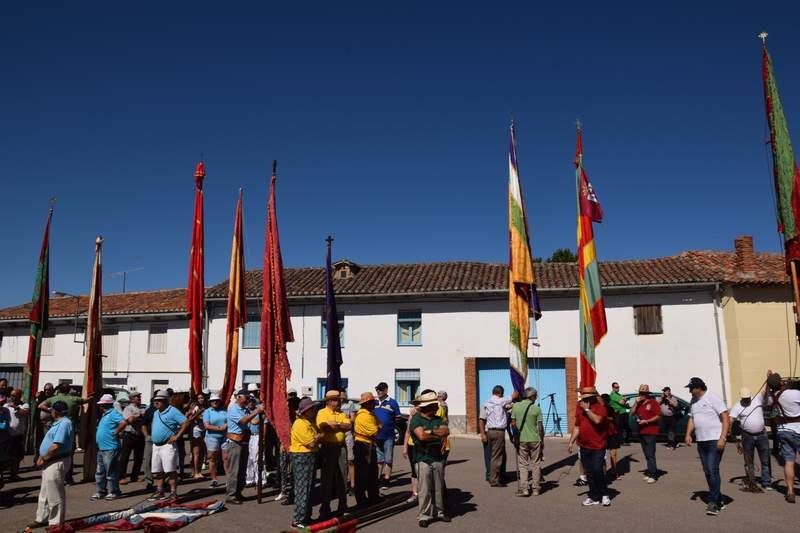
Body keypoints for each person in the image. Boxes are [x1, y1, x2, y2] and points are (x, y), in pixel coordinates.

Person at [684, 377, 730, 516]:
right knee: (707, 471)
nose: (690, 391)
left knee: (712, 470)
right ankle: (719, 499)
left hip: (714, 440)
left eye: (691, 388)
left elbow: (725, 416)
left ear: (698, 387)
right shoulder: (694, 401)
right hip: (701, 441)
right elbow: (692, 418)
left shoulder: (712, 397)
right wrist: (688, 434)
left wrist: (723, 437)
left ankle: (713, 503)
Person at [28, 401, 73, 528]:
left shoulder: (64, 423)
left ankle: (56, 523)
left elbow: (56, 446)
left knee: (55, 493)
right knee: (45, 492)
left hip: (56, 460)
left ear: (55, 411)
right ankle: (42, 517)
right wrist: (43, 457)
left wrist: (44, 458)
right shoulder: (59, 423)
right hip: (51, 461)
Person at [39, 382, 93, 485]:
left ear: (59, 390)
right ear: (69, 390)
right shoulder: (73, 399)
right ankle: (68, 479)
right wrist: (93, 395)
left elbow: (40, 405)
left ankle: (56, 476)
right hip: (69, 430)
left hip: (56, 427)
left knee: (55, 451)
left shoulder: (53, 398)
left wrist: (50, 409)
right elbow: (86, 400)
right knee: (68, 455)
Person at [410, 391, 450, 527]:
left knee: (438, 487)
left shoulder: (438, 419)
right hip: (423, 457)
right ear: (427, 406)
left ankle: (439, 512)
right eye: (434, 404)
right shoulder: (416, 419)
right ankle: (424, 515)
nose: (437, 407)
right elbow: (421, 436)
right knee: (424, 488)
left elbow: (446, 431)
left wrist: (430, 432)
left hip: (437, 456)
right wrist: (436, 434)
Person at [148, 389, 195, 501]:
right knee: (158, 470)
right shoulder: (156, 413)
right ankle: (160, 491)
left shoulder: (173, 411)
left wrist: (177, 436)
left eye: (159, 400)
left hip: (167, 445)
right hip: (156, 445)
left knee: (170, 470)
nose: (156, 402)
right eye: (155, 400)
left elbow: (185, 422)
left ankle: (173, 492)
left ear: (165, 401)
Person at [568, 386, 610, 507]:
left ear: (593, 397)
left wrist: (587, 410)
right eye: (582, 397)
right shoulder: (579, 406)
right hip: (583, 444)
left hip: (598, 445)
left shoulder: (600, 408)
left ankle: (604, 494)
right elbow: (577, 426)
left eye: (586, 398)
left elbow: (597, 421)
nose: (583, 400)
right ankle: (593, 496)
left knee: (597, 470)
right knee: (589, 472)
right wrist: (571, 442)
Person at [764, 370, 800, 503]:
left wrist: (768, 380)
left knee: (789, 462)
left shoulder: (771, 397)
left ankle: (790, 491)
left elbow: (767, 394)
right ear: (781, 382)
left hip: (783, 431)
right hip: (798, 430)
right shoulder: (794, 393)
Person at [92, 393, 135, 501]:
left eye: (102, 404)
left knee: (110, 472)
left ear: (107, 405)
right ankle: (101, 491)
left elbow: (123, 422)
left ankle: (114, 492)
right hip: (103, 448)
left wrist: (116, 432)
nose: (100, 406)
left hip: (110, 447)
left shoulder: (113, 413)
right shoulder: (105, 414)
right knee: (100, 472)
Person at [316, 389, 352, 518]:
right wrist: (339, 425)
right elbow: (324, 427)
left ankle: (343, 506)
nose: (339, 402)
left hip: (341, 448)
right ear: (330, 401)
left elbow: (349, 426)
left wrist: (334, 425)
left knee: (342, 478)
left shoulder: (341, 413)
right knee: (327, 480)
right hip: (328, 448)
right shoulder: (322, 413)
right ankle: (325, 508)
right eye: (337, 400)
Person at [729, 386, 771, 491]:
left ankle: (766, 482)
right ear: (741, 397)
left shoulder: (757, 399)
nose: (747, 400)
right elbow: (731, 420)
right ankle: (752, 481)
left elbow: (765, 392)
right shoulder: (737, 406)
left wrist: (768, 379)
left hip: (762, 435)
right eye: (745, 398)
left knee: (765, 460)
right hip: (747, 436)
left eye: (748, 398)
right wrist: (732, 435)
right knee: (748, 461)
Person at [226, 388, 263, 503]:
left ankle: (238, 492)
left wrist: (262, 414)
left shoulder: (245, 409)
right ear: (238, 397)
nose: (247, 400)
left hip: (243, 441)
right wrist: (256, 412)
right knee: (234, 470)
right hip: (235, 442)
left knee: (242, 470)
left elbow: (252, 421)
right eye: (246, 398)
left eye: (248, 398)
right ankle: (231, 495)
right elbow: (243, 421)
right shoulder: (233, 409)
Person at [290, 398, 321, 529]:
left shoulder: (309, 422)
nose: (314, 411)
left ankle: (305, 516)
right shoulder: (300, 424)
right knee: (303, 488)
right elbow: (311, 443)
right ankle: (298, 519)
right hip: (302, 457)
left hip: (309, 456)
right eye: (312, 409)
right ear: (306, 411)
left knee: (308, 488)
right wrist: (319, 437)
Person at [511, 387, 544, 497]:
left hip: (522, 440)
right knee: (536, 464)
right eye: (536, 396)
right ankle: (535, 489)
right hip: (535, 439)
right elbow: (540, 428)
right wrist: (542, 440)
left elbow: (513, 424)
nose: (536, 398)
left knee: (523, 465)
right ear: (532, 396)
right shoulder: (536, 409)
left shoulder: (516, 407)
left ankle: (525, 489)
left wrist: (514, 437)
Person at [353, 391, 381, 507]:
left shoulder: (370, 414)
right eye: (372, 402)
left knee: (372, 472)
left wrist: (378, 427)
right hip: (363, 445)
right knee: (362, 473)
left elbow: (379, 425)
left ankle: (373, 497)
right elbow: (375, 431)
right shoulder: (364, 416)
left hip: (368, 444)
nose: (374, 404)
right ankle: (362, 500)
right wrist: (378, 427)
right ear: (366, 403)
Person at [630, 384, 661, 483]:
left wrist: (647, 421)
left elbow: (658, 416)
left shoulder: (653, 402)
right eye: (640, 393)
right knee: (646, 453)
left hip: (650, 431)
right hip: (641, 431)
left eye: (643, 393)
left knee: (651, 453)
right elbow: (632, 413)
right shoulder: (639, 403)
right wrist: (635, 403)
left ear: (647, 394)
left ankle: (653, 475)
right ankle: (650, 472)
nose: (641, 395)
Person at [374, 381, 401, 490]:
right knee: (379, 460)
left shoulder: (393, 402)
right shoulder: (374, 402)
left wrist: (389, 424)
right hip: (376, 436)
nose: (378, 391)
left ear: (386, 390)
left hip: (388, 436)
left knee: (388, 459)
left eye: (381, 389)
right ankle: (377, 479)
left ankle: (386, 480)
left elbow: (398, 417)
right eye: (377, 389)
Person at [483, 385, 512, 487]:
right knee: (497, 456)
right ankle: (494, 479)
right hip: (498, 431)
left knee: (494, 455)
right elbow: (515, 395)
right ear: (500, 393)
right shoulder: (501, 401)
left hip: (490, 431)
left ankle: (495, 475)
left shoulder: (487, 402)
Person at [276, 394, 301, 504]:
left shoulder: (299, 417)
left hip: (296, 448)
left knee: (293, 472)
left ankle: (293, 494)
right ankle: (283, 490)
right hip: (285, 446)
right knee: (283, 469)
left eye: (290, 405)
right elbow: (282, 431)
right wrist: (282, 443)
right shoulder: (285, 417)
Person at [119, 391, 146, 484]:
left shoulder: (142, 408)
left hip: (140, 435)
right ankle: (121, 477)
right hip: (129, 435)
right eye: (137, 397)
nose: (139, 398)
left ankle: (135, 476)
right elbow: (130, 420)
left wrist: (139, 416)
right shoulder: (128, 408)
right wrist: (140, 416)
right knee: (125, 457)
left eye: (139, 396)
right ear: (131, 399)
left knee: (138, 458)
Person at [203, 393, 227, 487]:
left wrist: (225, 426)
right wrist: (220, 428)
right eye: (213, 400)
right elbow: (206, 425)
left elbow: (229, 421)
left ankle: (228, 479)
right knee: (212, 458)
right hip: (212, 437)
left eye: (217, 400)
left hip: (225, 437)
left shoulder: (225, 410)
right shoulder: (207, 411)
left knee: (226, 458)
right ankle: (214, 479)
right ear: (210, 402)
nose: (215, 402)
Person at [6, 388, 30, 481]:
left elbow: (25, 413)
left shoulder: (24, 405)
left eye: (14, 396)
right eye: (11, 395)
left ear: (20, 396)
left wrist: (16, 407)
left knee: (17, 456)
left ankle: (14, 475)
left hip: (18, 435)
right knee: (6, 456)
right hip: (7, 435)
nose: (12, 397)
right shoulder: (6, 405)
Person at [245, 392, 265, 487]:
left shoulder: (259, 411)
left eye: (252, 401)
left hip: (256, 436)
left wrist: (263, 438)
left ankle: (261, 479)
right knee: (249, 459)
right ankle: (250, 479)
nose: (250, 403)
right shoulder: (244, 411)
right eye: (248, 401)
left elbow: (258, 422)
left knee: (257, 458)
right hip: (247, 436)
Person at [340, 390, 358, 495]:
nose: (342, 397)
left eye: (343, 395)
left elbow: (353, 419)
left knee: (351, 461)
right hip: (338, 435)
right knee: (341, 462)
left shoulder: (350, 404)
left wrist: (344, 420)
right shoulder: (335, 406)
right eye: (340, 396)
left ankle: (353, 485)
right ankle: (343, 486)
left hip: (347, 435)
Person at [34, 383, 56, 462]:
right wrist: (36, 398)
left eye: (49, 390)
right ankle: (37, 459)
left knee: (47, 442)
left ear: (52, 390)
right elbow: (36, 405)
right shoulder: (41, 397)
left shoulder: (54, 398)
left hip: (49, 424)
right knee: (38, 442)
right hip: (39, 424)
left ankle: (46, 459)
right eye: (45, 389)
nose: (47, 391)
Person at [188, 391, 207, 480]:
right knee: (196, 452)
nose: (201, 400)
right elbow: (191, 417)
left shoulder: (206, 407)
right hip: (196, 429)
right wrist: (199, 414)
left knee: (202, 451)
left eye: (202, 398)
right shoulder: (194, 407)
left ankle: (199, 471)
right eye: (199, 398)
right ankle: (196, 472)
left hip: (204, 429)